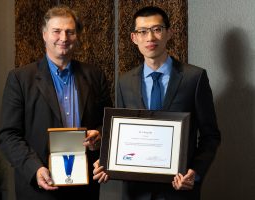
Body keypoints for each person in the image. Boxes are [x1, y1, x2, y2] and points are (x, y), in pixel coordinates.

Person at [93, 6, 221, 200]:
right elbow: (119, 134)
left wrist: (195, 172)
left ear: (169, 33)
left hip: (178, 191)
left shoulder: (194, 78)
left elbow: (210, 135)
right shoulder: (124, 82)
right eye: (142, 32)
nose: (150, 38)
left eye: (157, 29)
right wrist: (106, 162)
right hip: (136, 192)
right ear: (134, 38)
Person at [0, 5, 112, 200]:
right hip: (39, 186)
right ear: (44, 34)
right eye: (56, 31)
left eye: (70, 32)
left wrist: (99, 135)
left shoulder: (95, 76)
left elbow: (107, 124)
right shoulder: (20, 78)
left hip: (84, 189)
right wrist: (34, 169)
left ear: (77, 36)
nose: (64, 38)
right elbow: (8, 135)